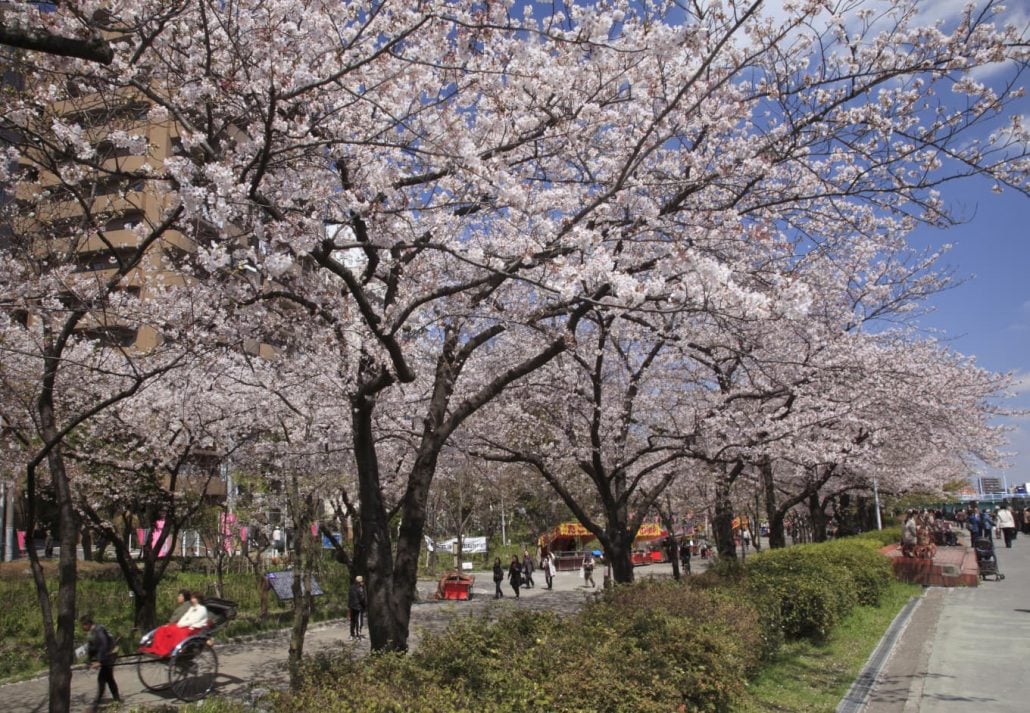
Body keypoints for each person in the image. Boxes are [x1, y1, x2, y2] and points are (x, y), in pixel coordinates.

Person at [141, 591, 209, 656]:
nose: (192, 600)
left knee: (175, 631)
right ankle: (159, 648)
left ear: (198, 599)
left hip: (193, 628)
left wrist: (181, 625)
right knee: (163, 629)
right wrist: (180, 624)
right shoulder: (192, 608)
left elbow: (193, 621)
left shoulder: (202, 609)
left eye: (194, 598)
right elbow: (184, 617)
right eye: (192, 598)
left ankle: (169, 650)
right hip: (184, 625)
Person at [80, 614, 120, 712]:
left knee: (101, 679)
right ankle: (117, 699)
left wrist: (100, 662)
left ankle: (95, 707)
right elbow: (91, 647)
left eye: (83, 625)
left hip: (110, 655)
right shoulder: (92, 632)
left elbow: (104, 646)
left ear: (88, 624)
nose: (82, 627)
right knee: (109, 678)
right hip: (106, 656)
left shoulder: (99, 630)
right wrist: (88, 660)